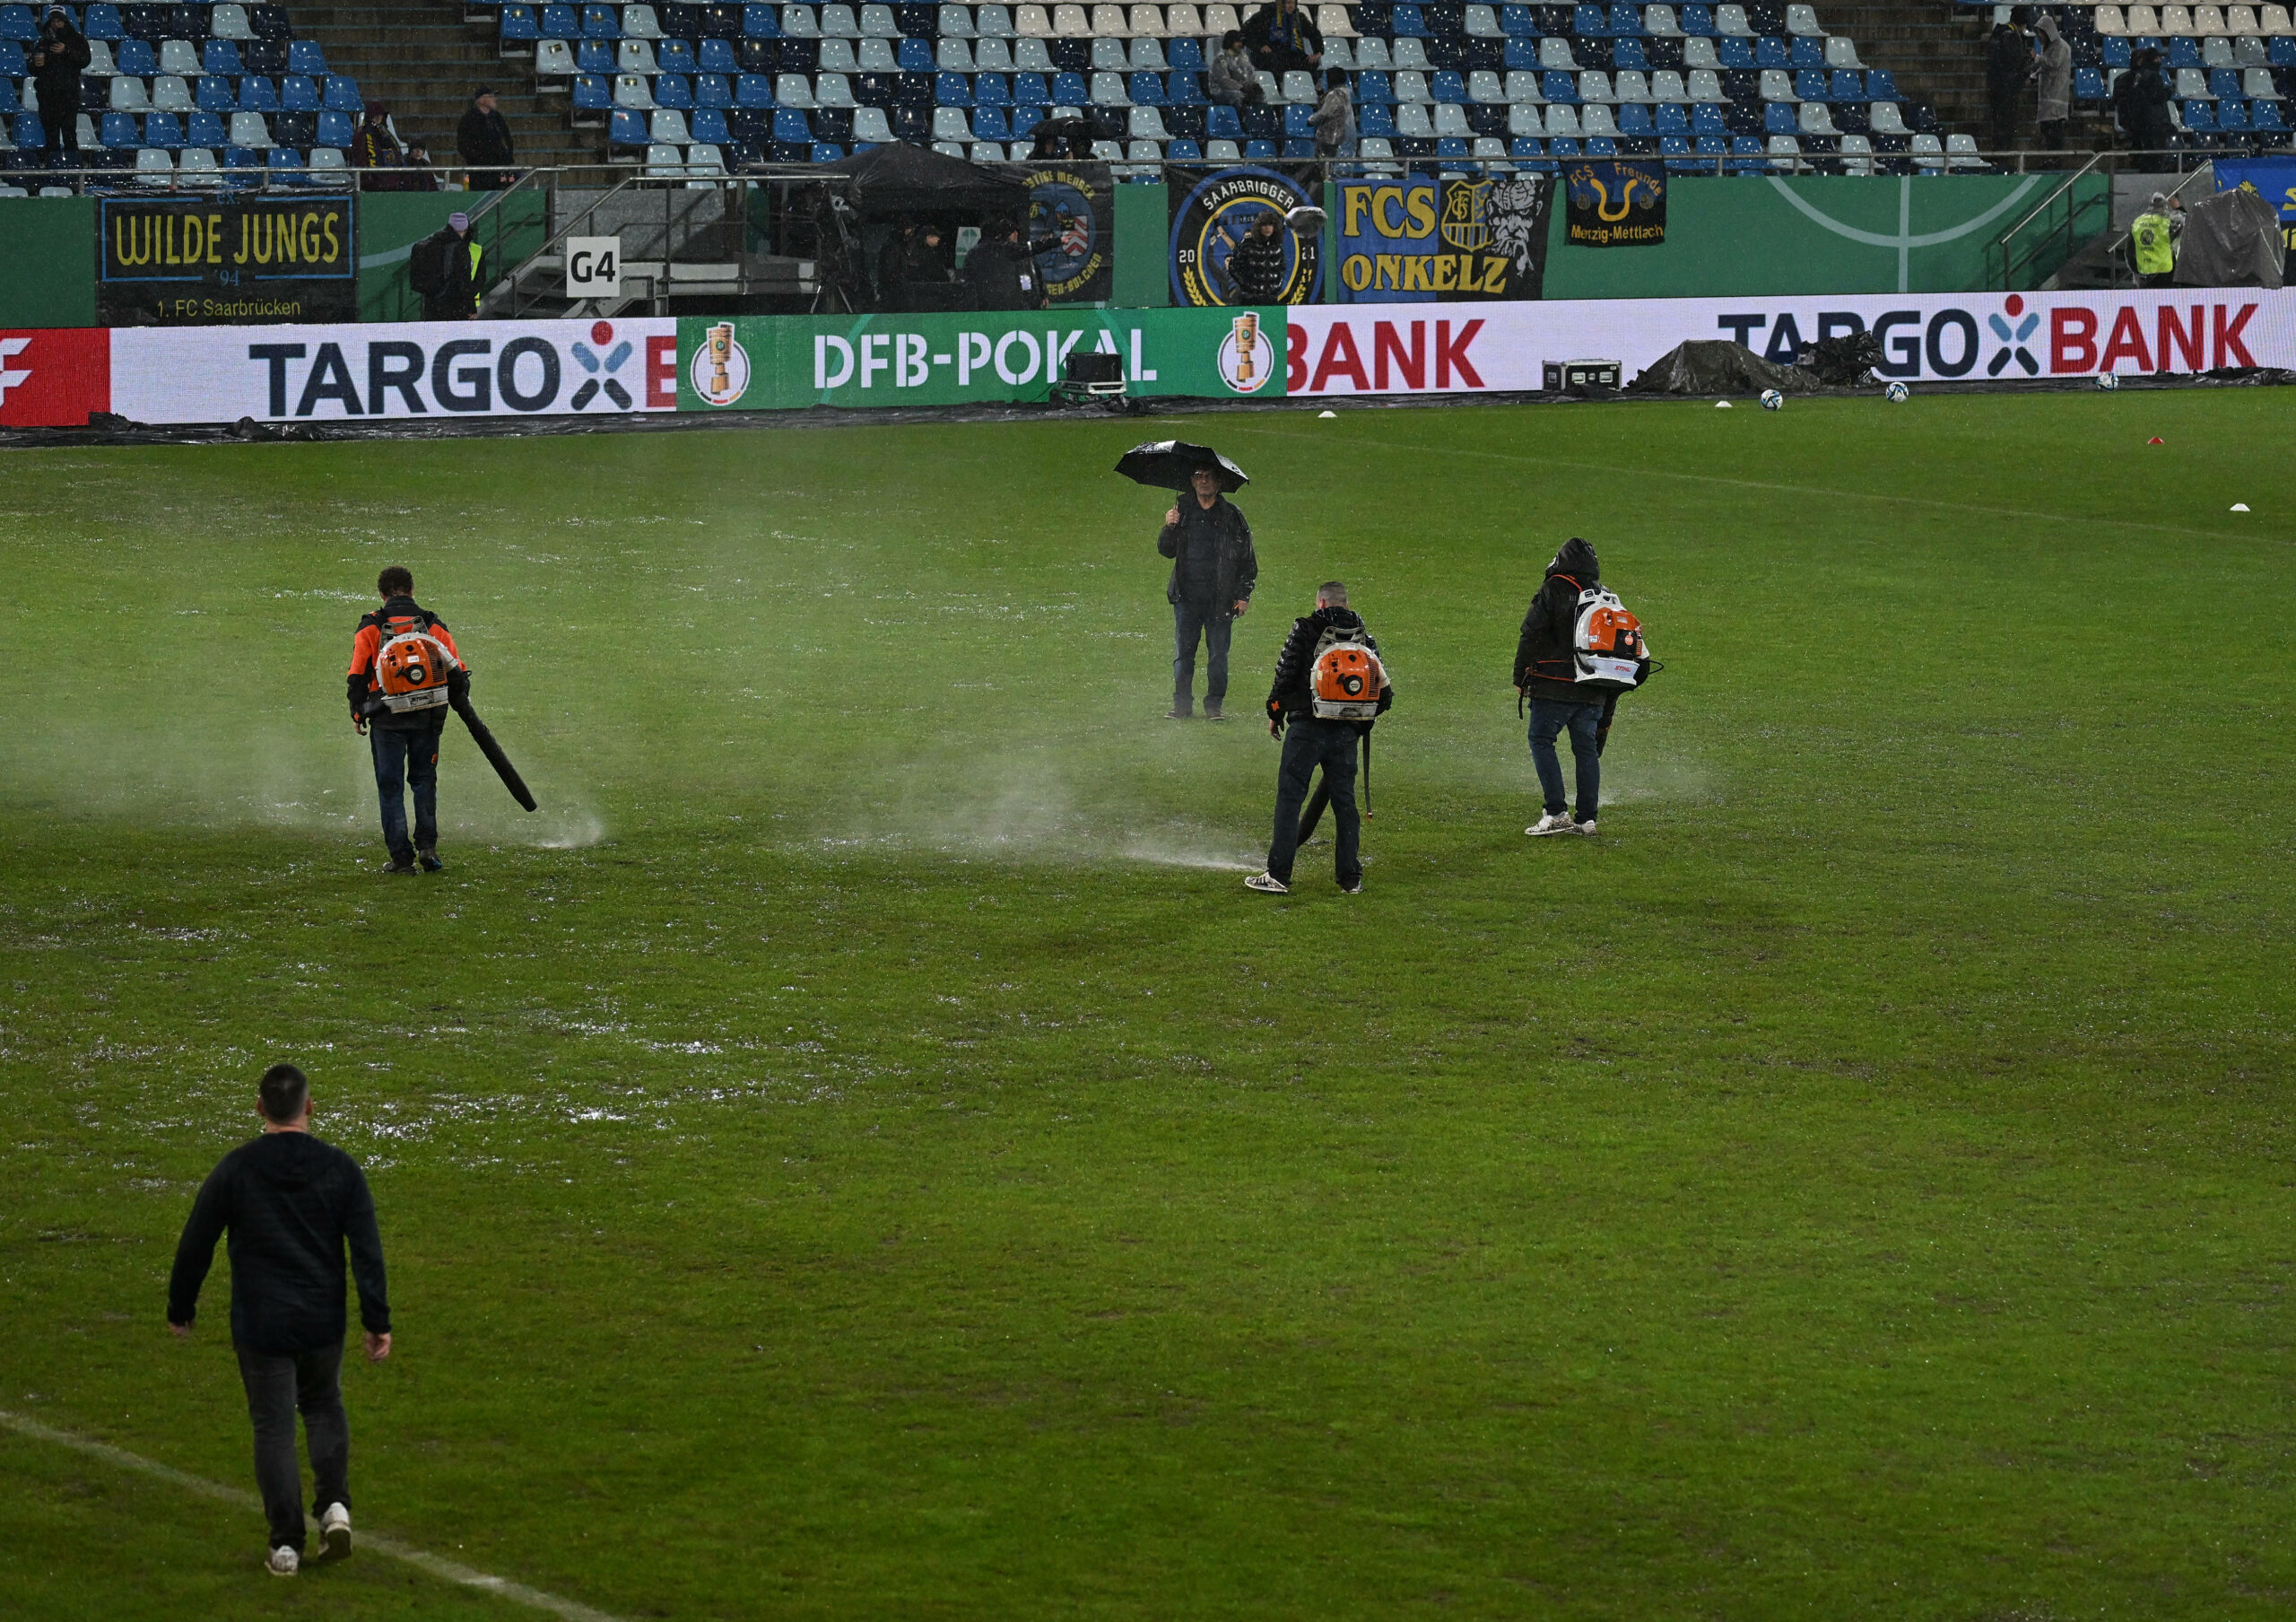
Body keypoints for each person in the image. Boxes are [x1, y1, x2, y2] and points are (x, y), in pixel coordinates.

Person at [168, 1062, 392, 1579]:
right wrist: (377, 1319)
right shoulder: (340, 1170)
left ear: (260, 1108)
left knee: (273, 1426)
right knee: (322, 1405)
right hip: (320, 1318)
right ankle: (334, 1507)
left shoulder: (238, 1169)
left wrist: (181, 1309)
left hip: (261, 1322)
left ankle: (286, 1544)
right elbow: (367, 1251)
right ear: (309, 1107)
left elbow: (196, 1241)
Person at [1248, 581, 1391, 896]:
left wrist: (1274, 713)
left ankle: (1279, 875)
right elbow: (1384, 693)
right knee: (1345, 805)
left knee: (1290, 800)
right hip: (1346, 733)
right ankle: (1350, 878)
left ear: (1321, 603)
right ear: (1346, 604)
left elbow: (1284, 674)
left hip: (1306, 730)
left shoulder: (1306, 628)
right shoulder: (1364, 637)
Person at [346, 566, 465, 874]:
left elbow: (357, 676)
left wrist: (357, 712)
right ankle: (427, 847)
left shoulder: (371, 626)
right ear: (412, 590)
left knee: (391, 787)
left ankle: (401, 860)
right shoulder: (433, 625)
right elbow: (458, 671)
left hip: (387, 720)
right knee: (424, 782)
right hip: (428, 718)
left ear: (382, 595)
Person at [1513, 536, 1612, 838]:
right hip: (1595, 686)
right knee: (1586, 750)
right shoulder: (1605, 595)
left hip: (1554, 686)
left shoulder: (1554, 588)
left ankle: (1556, 812)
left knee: (1541, 739)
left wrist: (1520, 677)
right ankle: (1587, 819)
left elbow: (1531, 634)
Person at [1158, 465, 1257, 719]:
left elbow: (1247, 558)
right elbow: (1166, 551)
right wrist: (1168, 527)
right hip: (1186, 599)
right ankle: (1182, 706)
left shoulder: (1232, 515)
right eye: (1199, 477)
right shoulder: (1181, 512)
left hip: (1220, 599)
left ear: (1218, 483)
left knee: (1217, 657)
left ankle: (1214, 705)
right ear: (1191, 481)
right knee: (1184, 656)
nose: (1204, 482)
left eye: (1209, 477)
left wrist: (1243, 595)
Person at [28, 7, 91, 163]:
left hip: (68, 96)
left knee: (70, 136)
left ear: (65, 21)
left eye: (59, 21)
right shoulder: (43, 42)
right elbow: (32, 67)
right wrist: (36, 64)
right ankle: (53, 172)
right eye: (54, 21)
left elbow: (85, 60)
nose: (56, 24)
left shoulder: (77, 40)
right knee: (51, 138)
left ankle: (73, 171)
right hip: (47, 97)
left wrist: (67, 51)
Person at [963, 216, 1057, 310]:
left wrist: (1043, 294)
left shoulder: (1022, 251)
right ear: (1006, 234)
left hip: (1028, 301)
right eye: (1013, 232)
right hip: (1014, 303)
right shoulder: (1001, 252)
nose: (1017, 234)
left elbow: (1036, 272)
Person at [410, 211, 489, 319]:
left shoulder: (433, 243)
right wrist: (471, 306)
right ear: (465, 229)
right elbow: (463, 279)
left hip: (433, 303)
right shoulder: (460, 247)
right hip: (456, 305)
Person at [1986, 17, 2033, 154]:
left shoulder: (1999, 33)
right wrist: (2029, 58)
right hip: (2007, 88)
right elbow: (2016, 60)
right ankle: (2002, 155)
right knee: (2006, 125)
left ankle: (1999, 153)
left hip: (1995, 85)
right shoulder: (2010, 36)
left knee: (1998, 123)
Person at [2116, 45, 2173, 157]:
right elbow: (2157, 97)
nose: (2159, 61)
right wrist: (2168, 92)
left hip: (2141, 122)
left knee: (2145, 154)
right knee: (2155, 156)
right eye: (2157, 58)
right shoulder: (2151, 76)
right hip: (2154, 122)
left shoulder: (2136, 77)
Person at [456, 85, 516, 190]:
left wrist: (507, 157)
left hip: (499, 168)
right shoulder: (470, 119)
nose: (494, 99)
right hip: (480, 171)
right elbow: (464, 145)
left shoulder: (497, 118)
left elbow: (507, 139)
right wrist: (479, 159)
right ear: (481, 99)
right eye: (491, 96)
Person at [1241, 0, 1323, 76]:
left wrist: (1318, 52)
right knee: (1275, 63)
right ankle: (1278, 89)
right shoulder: (1266, 15)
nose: (1291, 6)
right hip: (1268, 52)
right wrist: (1260, 46)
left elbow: (1314, 33)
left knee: (1311, 63)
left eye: (1293, 3)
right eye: (1288, 3)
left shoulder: (1298, 18)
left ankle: (1309, 88)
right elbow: (1246, 32)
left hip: (1290, 53)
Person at [1227, 211, 1289, 302]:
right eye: (1264, 224)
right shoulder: (1247, 244)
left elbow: (1281, 269)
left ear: (1274, 227)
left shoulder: (1277, 247)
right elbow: (1234, 267)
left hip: (1271, 299)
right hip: (1249, 299)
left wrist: (1276, 287)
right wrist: (1247, 286)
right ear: (1258, 227)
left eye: (1270, 224)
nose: (1267, 227)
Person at [2033, 13, 2072, 153]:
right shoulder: (2049, 47)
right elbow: (2045, 67)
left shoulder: (2062, 47)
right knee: (2047, 130)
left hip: (2056, 98)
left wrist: (2037, 58)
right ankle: (2050, 157)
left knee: (2054, 132)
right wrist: (2034, 76)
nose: (2039, 37)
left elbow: (2053, 63)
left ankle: (2055, 159)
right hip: (2047, 97)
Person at [2130, 190, 2182, 287]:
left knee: (2147, 301)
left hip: (2144, 273)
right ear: (2164, 207)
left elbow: (2130, 252)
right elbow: (2185, 223)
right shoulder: (2167, 224)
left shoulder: (2137, 223)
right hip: (2165, 273)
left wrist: (2136, 271)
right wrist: (2177, 208)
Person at [1207, 31, 1264, 107]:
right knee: (1237, 95)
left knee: (1259, 94)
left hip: (1240, 89)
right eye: (1237, 41)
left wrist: (1253, 84)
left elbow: (1250, 73)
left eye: (1241, 42)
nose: (1240, 44)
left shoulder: (1243, 57)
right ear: (1230, 42)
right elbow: (1224, 81)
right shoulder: (1220, 59)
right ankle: (1237, 118)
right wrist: (1241, 88)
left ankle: (1253, 117)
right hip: (1220, 91)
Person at [1310, 66, 1355, 163]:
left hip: (1329, 134)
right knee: (1331, 161)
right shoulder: (1345, 93)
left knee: (1324, 163)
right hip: (1340, 132)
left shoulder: (1335, 94)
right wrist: (1321, 94)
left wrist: (1311, 120)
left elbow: (1324, 113)